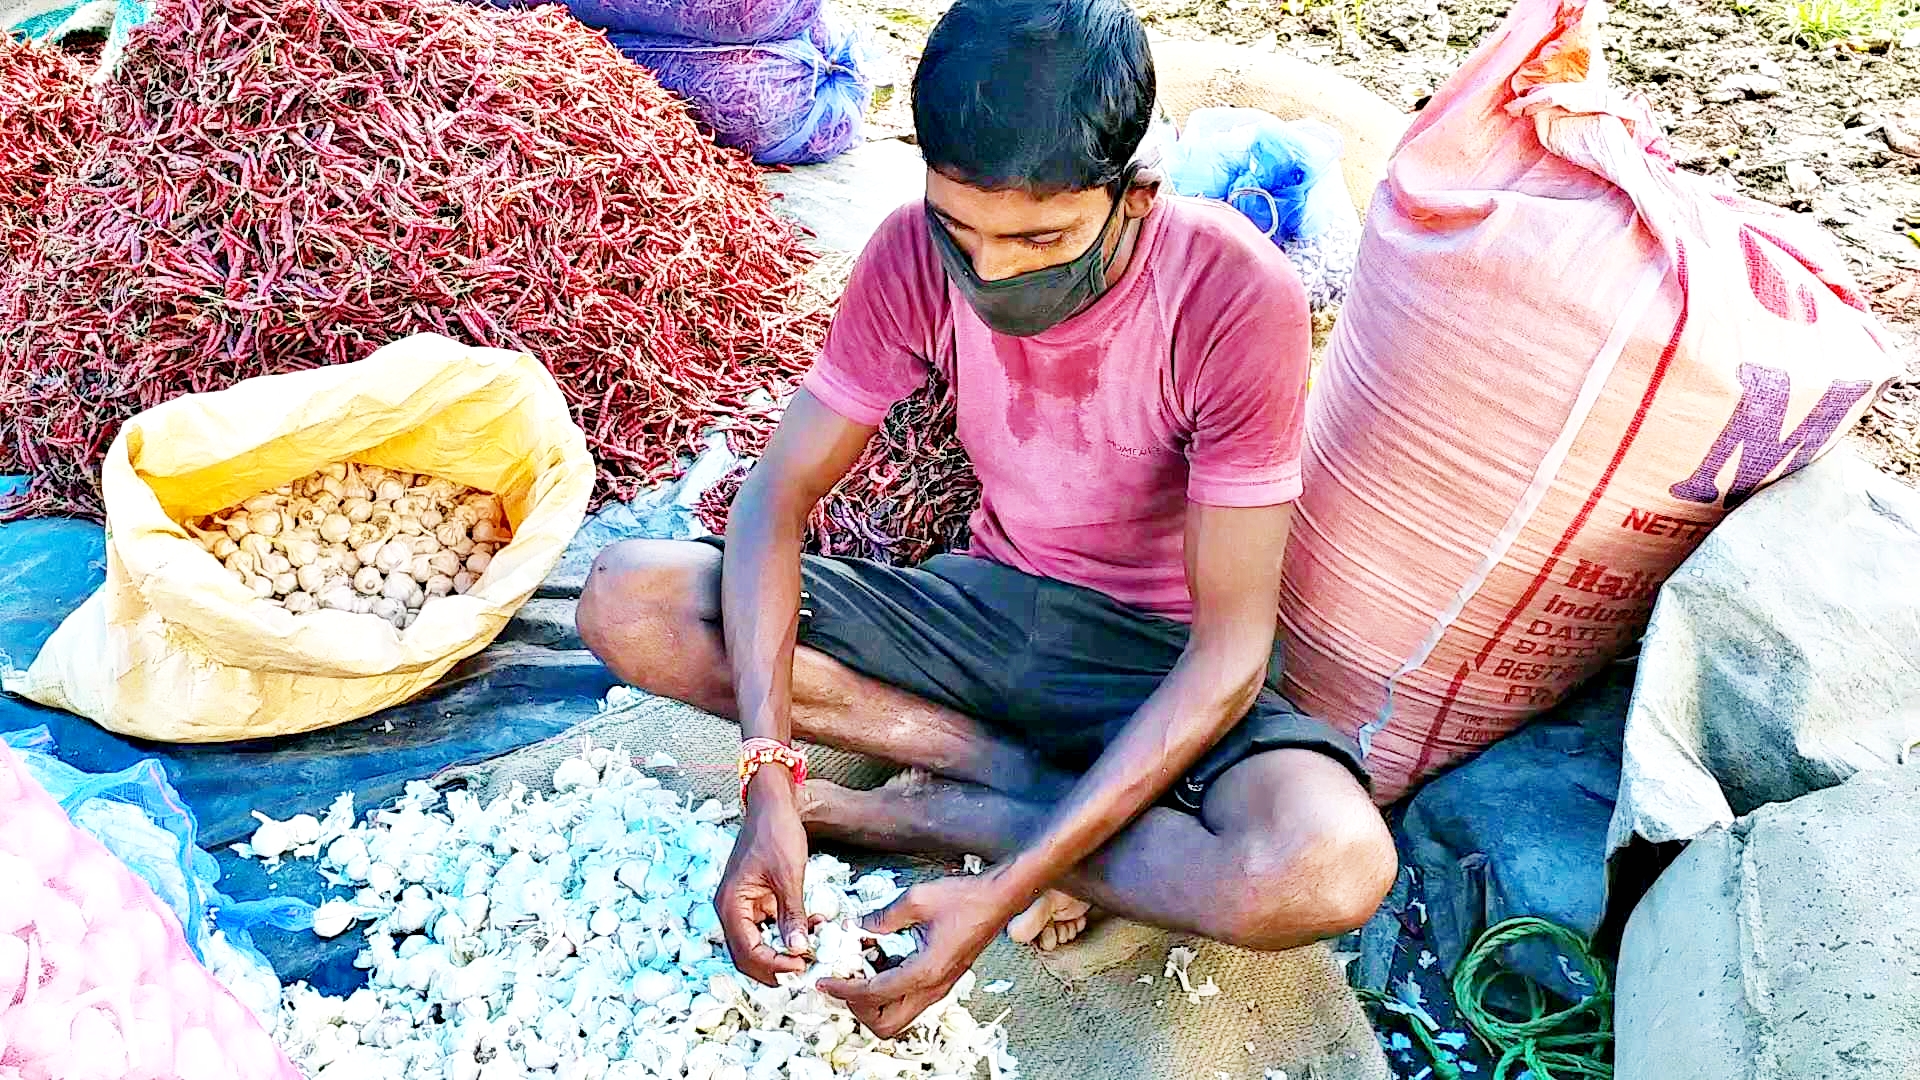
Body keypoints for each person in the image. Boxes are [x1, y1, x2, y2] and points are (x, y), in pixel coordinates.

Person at [576, 0, 1397, 1039]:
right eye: (962, 229)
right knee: (626, 597)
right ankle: (1009, 783)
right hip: (986, 609)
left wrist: (1001, 890)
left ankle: (949, 814)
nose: (995, 269)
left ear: (1136, 197)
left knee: (1328, 865)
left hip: (1152, 663)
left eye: (1040, 237)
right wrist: (769, 778)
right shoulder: (911, 252)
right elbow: (776, 501)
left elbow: (1233, 650)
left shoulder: (1236, 293)